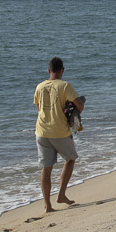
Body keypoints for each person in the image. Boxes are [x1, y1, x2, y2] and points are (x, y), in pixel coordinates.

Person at [34, 57, 85, 213]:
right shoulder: (65, 86)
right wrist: (73, 115)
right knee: (70, 159)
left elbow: (38, 107)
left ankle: (47, 206)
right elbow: (80, 104)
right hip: (60, 131)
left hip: (41, 131)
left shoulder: (40, 86)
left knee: (46, 168)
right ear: (62, 70)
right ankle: (61, 194)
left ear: (49, 71)